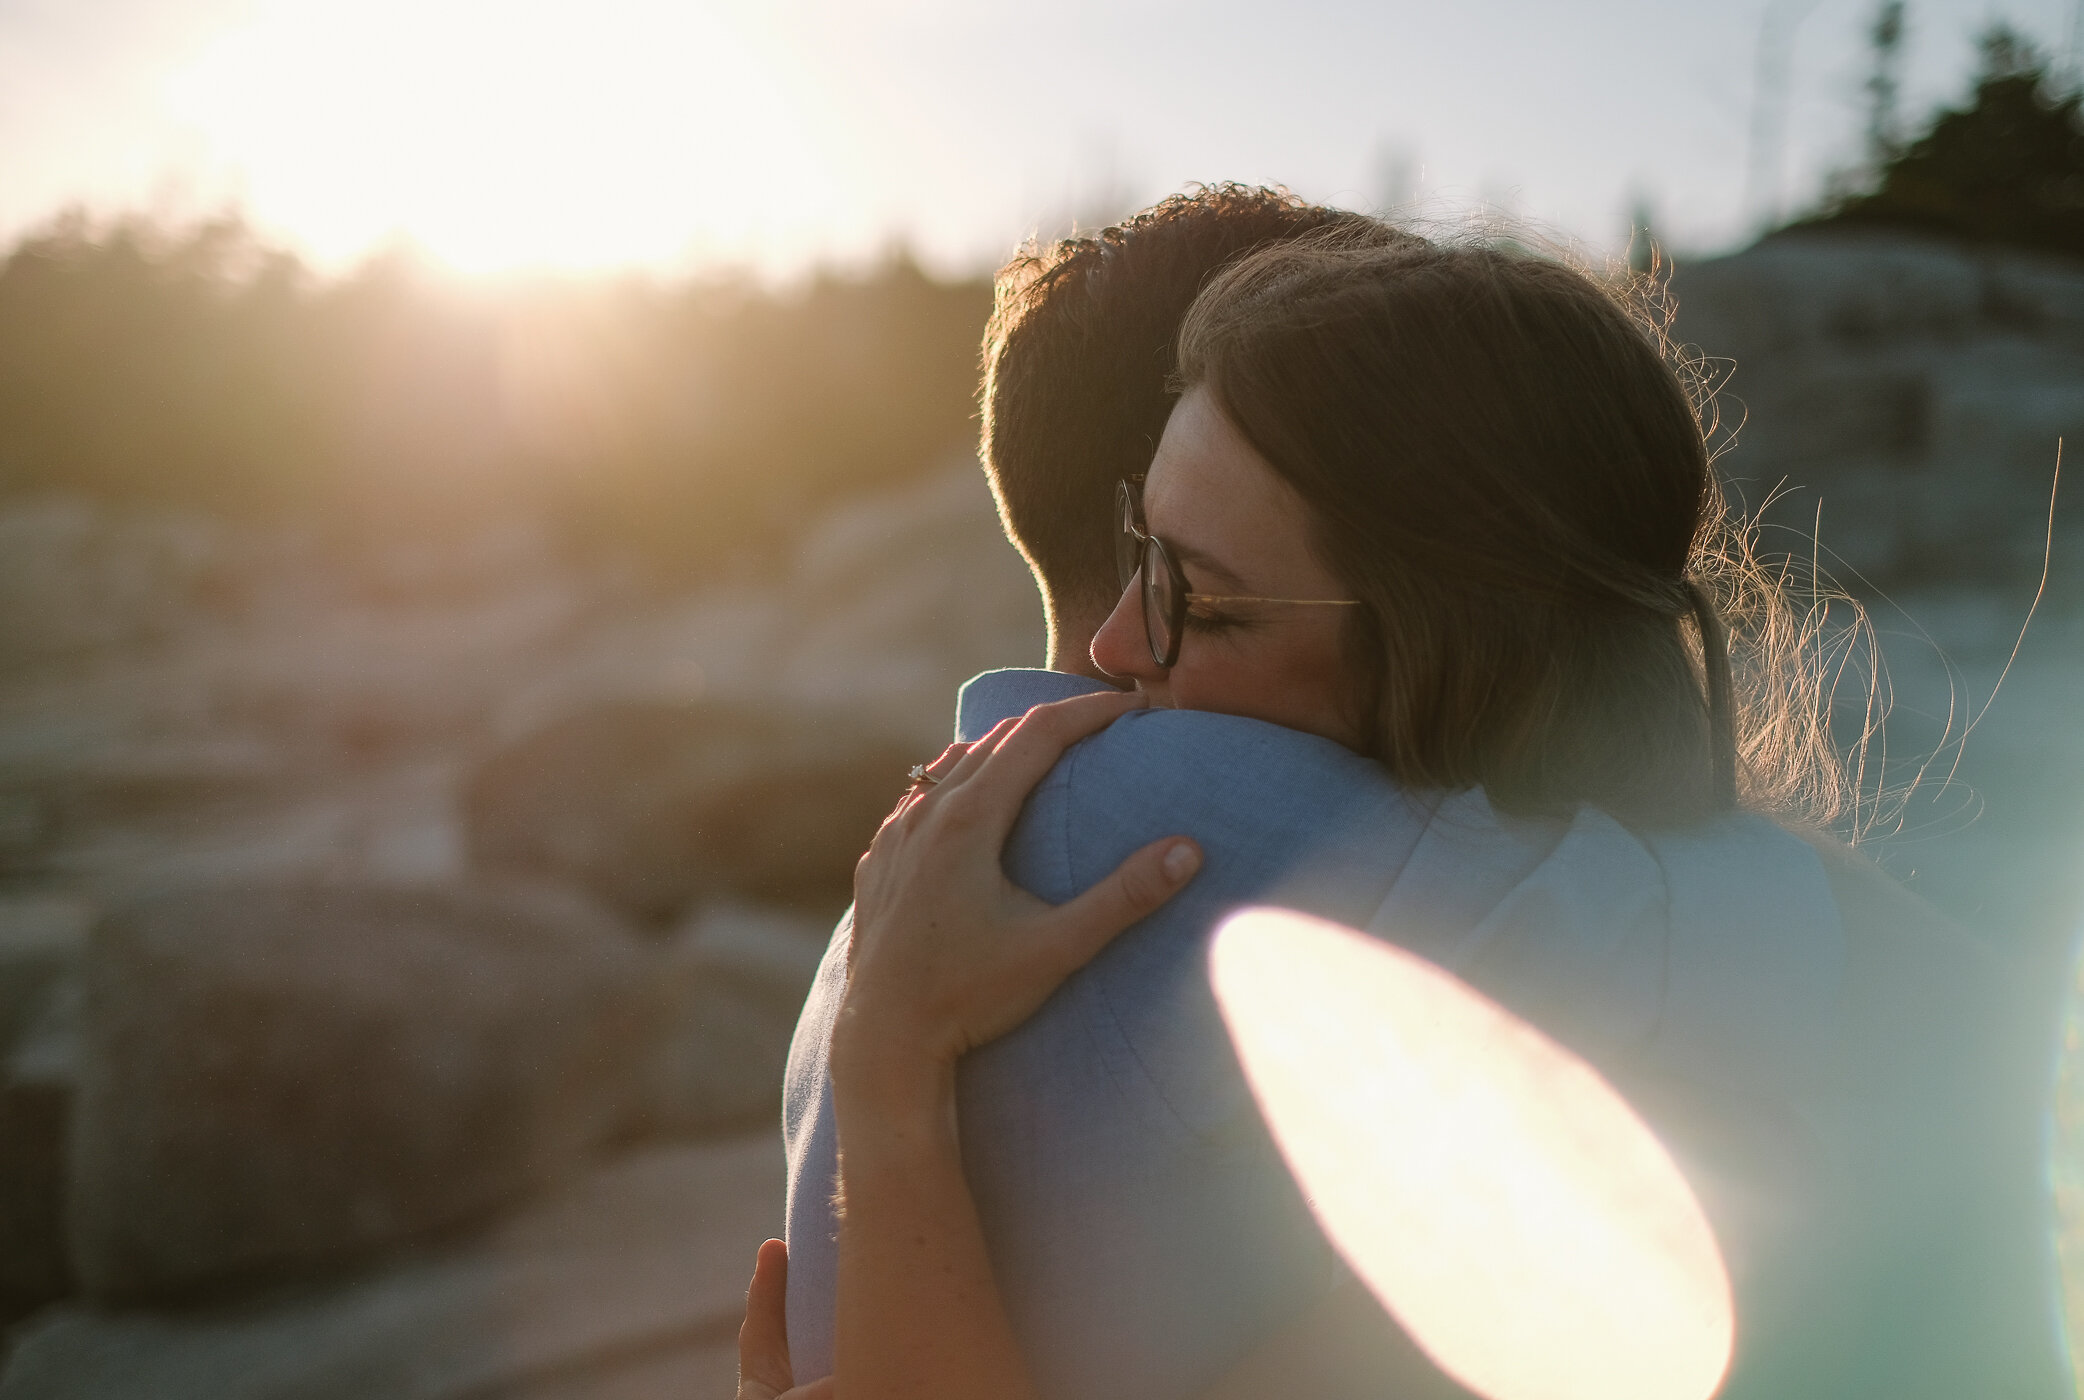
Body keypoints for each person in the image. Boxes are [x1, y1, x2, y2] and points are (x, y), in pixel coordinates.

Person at [766, 222, 2068, 1400]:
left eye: (1202, 599)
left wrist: (889, 1076)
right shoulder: (1707, 935)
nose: (1113, 642)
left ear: (1454, 646)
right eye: (1141, 549)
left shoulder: (1608, 990)